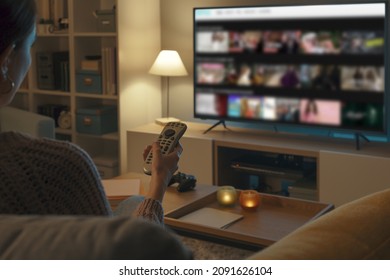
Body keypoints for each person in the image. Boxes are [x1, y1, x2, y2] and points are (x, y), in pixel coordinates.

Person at [0, 0, 182, 225]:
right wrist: (160, 180)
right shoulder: (59, 166)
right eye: (31, 45)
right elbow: (123, 254)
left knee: (131, 202)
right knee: (136, 204)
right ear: (7, 59)